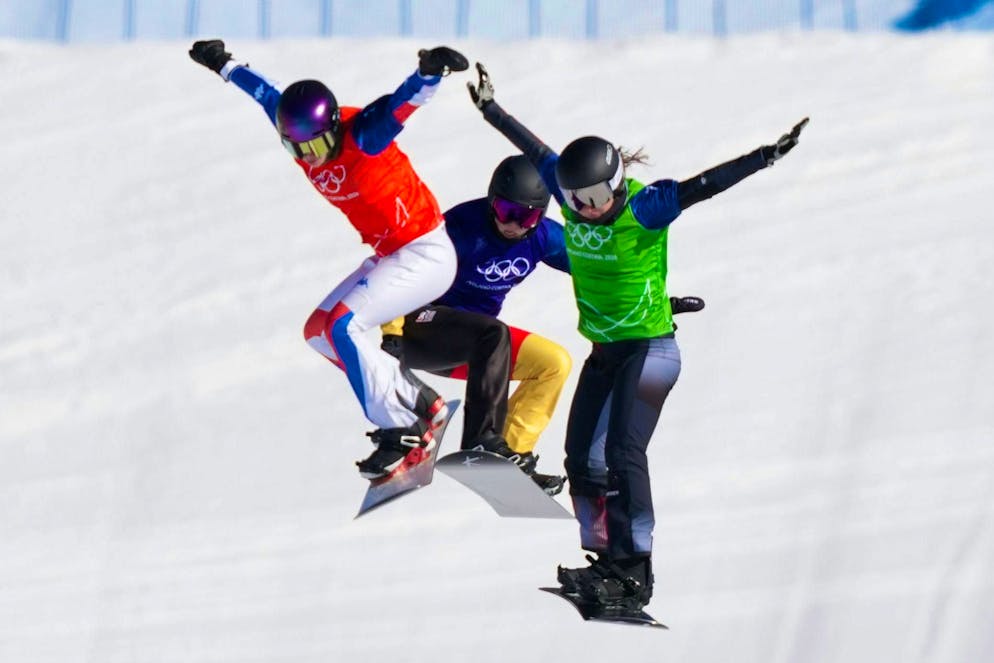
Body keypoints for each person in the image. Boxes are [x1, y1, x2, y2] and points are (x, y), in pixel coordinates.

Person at [467, 63, 807, 610]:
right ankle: (606, 560)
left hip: (651, 353)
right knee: (582, 458)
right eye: (578, 200)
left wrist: (764, 156)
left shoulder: (646, 208)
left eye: (600, 195)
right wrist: (490, 110)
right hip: (605, 354)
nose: (591, 208)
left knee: (625, 453)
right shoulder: (569, 192)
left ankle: (636, 572)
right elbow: (535, 149)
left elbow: (705, 185)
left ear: (619, 182)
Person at [189, 39, 470, 481]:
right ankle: (419, 403)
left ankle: (402, 429)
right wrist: (222, 63)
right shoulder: (301, 136)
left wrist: (430, 72)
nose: (309, 159)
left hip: (425, 252)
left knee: (344, 325)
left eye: (316, 146)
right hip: (392, 254)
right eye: (295, 149)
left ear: (334, 127)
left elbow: (400, 105)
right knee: (319, 333)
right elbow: (264, 92)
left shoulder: (362, 136)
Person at [381, 155, 706, 496]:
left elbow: (602, 272)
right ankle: (480, 443)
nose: (515, 225)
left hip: (479, 348)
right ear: (492, 202)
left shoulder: (543, 237)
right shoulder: (459, 228)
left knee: (553, 363)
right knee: (494, 333)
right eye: (508, 212)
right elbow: (402, 269)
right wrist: (391, 333)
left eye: (528, 216)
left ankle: (509, 456)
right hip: (419, 328)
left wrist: (652, 307)